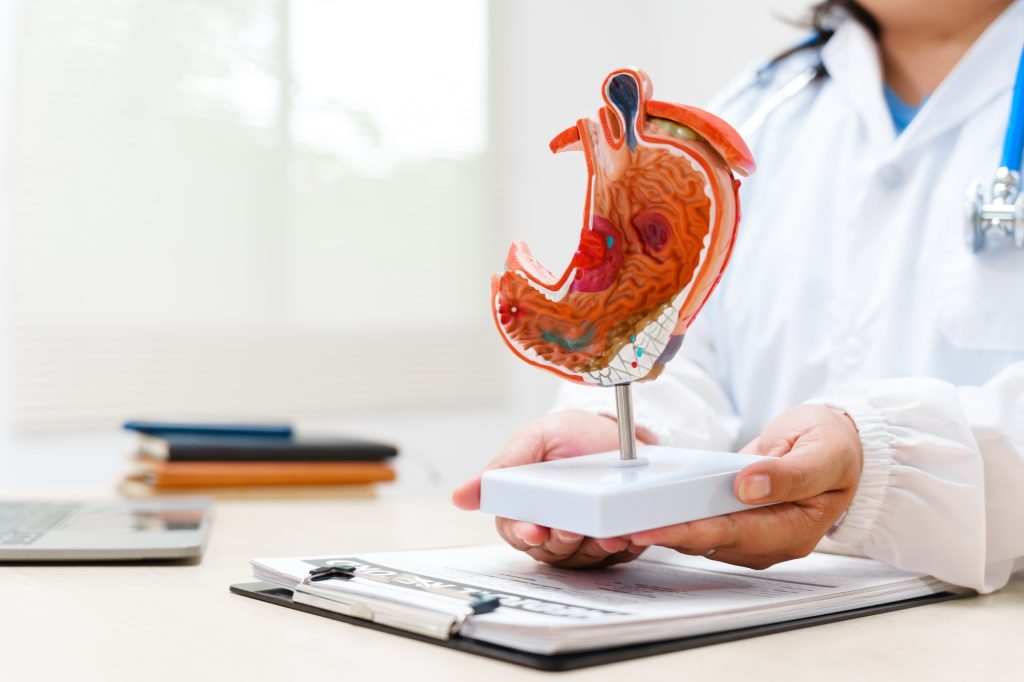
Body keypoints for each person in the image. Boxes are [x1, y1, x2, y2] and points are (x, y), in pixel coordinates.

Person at [453, 0, 1024, 594]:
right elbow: (686, 334)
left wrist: (881, 459)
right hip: (754, 621)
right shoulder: (763, 107)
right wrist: (631, 438)